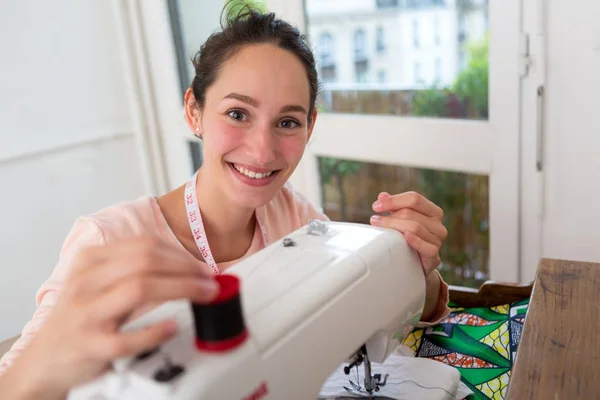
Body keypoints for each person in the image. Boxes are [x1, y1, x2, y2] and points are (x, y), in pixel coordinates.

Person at [0, 5, 450, 399]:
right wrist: (44, 366)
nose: (262, 151)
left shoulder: (293, 215)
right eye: (237, 113)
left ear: (310, 127)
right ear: (194, 110)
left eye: (287, 122)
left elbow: (401, 312)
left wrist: (416, 267)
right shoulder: (108, 241)